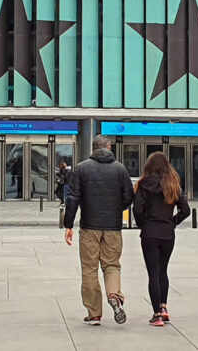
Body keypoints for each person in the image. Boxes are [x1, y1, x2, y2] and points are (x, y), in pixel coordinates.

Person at [63, 135, 135, 326]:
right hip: (113, 226)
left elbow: (72, 198)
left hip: (89, 226)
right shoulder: (120, 168)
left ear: (93, 149)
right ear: (109, 147)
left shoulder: (81, 168)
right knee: (111, 264)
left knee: (89, 268)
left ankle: (94, 313)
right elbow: (129, 196)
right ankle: (114, 295)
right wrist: (116, 209)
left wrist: (68, 224)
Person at [131, 151, 190, 328]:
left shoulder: (143, 184)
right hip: (167, 233)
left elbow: (137, 209)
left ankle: (156, 314)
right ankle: (163, 308)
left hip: (150, 232)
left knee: (153, 273)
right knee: (163, 270)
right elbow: (185, 210)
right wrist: (172, 222)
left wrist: (143, 225)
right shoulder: (173, 184)